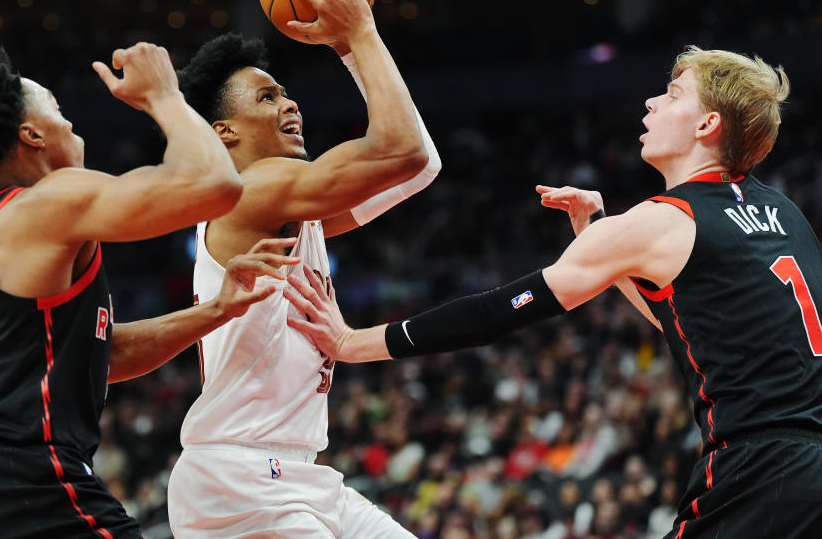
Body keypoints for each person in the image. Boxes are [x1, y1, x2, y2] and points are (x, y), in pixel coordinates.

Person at [285, 47, 822, 539]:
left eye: (674, 94)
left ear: (708, 124)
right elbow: (690, 321)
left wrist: (352, 342)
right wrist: (596, 233)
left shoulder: (662, 221)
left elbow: (500, 312)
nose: (652, 102)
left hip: (762, 470)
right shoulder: (785, 214)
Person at [0, 42, 300, 538]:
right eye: (57, 110)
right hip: (21, 484)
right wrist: (165, 96)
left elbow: (103, 355)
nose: (71, 123)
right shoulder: (46, 201)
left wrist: (217, 310)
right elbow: (217, 185)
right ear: (31, 134)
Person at [165, 0, 440, 538]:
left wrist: (346, 44)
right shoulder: (254, 190)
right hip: (238, 479)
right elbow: (404, 151)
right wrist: (357, 32)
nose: (289, 102)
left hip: (296, 473)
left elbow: (420, 167)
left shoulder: (295, 207)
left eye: (285, 91)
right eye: (266, 97)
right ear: (225, 132)